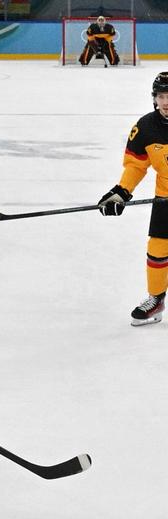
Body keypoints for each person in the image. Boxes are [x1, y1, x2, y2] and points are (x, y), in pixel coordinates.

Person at [97, 70, 168, 327]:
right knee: (158, 250)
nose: (166, 102)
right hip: (166, 196)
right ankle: (156, 300)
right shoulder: (146, 127)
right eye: (161, 96)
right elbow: (136, 166)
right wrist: (121, 192)